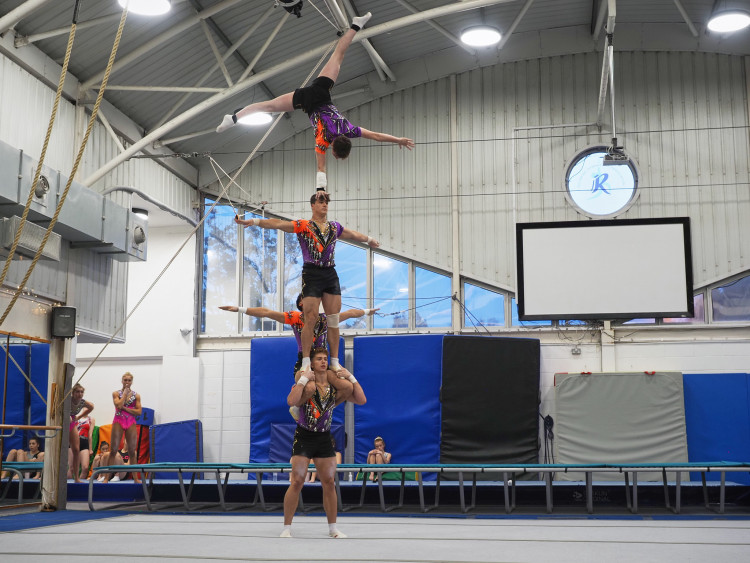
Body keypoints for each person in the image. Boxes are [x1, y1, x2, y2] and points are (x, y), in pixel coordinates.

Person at [216, 12, 415, 192]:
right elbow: (321, 168)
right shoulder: (323, 140)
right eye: (336, 156)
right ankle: (233, 118)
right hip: (306, 102)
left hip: (322, 93)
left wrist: (399, 139)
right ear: (334, 151)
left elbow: (377, 136)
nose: (334, 158)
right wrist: (321, 191)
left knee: (338, 55)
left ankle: (356, 26)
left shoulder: (349, 130)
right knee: (269, 106)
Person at [235, 192, 379, 378]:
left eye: (327, 202)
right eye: (321, 201)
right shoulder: (304, 225)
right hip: (312, 273)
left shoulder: (334, 227)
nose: (325, 204)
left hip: (330, 272)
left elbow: (351, 234)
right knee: (310, 318)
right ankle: (305, 362)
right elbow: (279, 224)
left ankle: (334, 362)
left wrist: (369, 239)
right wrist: (253, 221)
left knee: (333, 319)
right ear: (312, 205)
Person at [219, 295, 378, 417]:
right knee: (309, 388)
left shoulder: (324, 319)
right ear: (302, 303)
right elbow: (267, 312)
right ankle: (296, 407)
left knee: (346, 387)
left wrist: (367, 312)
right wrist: (239, 309)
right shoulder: (296, 317)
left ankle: (326, 406)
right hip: (305, 362)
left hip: (322, 363)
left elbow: (350, 313)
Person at [281, 347, 365, 538]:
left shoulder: (335, 386)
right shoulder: (308, 384)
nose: (323, 361)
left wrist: (350, 377)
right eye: (319, 359)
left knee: (328, 482)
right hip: (304, 435)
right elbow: (290, 400)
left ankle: (332, 528)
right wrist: (303, 380)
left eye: (325, 359)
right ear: (311, 363)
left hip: (324, 436)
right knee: (297, 481)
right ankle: (286, 527)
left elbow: (361, 399)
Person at [102, 372, 142, 483]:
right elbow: (118, 405)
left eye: (129, 380)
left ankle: (135, 478)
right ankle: (106, 477)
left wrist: (125, 409)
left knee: (132, 451)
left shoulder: (136, 395)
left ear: (132, 382)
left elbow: (139, 412)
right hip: (119, 421)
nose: (127, 382)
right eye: (125, 380)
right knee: (113, 450)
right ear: (122, 381)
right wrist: (124, 394)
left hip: (130, 421)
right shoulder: (116, 393)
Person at [69, 383, 94, 483]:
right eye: (77, 391)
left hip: (71, 424)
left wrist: (79, 417)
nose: (80, 394)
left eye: (81, 392)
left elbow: (92, 407)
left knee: (76, 450)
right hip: (63, 423)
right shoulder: (68, 400)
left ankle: (76, 478)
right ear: (72, 393)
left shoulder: (82, 402)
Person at [68, 413, 95, 481]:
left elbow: (90, 434)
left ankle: (78, 483)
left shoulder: (91, 419)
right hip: (74, 441)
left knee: (85, 467)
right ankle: (68, 485)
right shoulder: (75, 417)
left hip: (84, 441)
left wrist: (90, 449)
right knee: (71, 468)